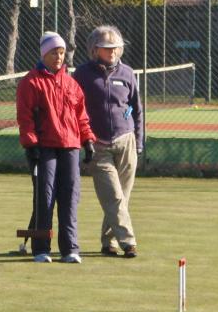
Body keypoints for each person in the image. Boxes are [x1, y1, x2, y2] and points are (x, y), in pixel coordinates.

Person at [16, 32, 96, 263]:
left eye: (61, 53)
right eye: (54, 53)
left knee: (70, 196)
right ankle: (41, 249)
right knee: (45, 197)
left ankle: (70, 248)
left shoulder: (71, 84)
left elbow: (81, 116)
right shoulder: (31, 82)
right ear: (44, 54)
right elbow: (25, 116)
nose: (59, 57)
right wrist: (30, 144)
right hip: (44, 147)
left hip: (70, 146)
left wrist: (87, 140)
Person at [73, 25, 142, 259]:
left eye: (115, 47)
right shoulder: (81, 74)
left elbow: (136, 109)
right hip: (97, 145)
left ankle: (108, 242)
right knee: (113, 196)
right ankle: (128, 241)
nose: (112, 51)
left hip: (126, 141)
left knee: (122, 197)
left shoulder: (128, 74)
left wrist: (138, 141)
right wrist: (83, 142)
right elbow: (74, 109)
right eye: (106, 47)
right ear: (94, 49)